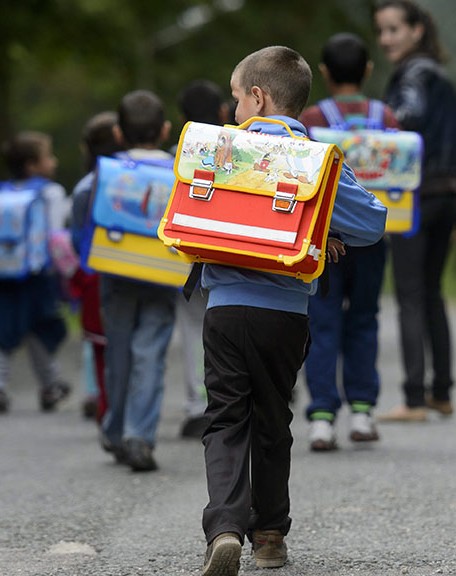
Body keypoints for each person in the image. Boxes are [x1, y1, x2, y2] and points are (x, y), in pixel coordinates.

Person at [199, 46, 387, 576]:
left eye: (237, 99)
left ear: (256, 97)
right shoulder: (319, 160)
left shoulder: (223, 149)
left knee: (224, 419)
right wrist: (322, 222)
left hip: (225, 309)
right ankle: (269, 536)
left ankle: (225, 527)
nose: (234, 111)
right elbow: (372, 224)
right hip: (286, 313)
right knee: (272, 420)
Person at [374, 0, 456, 422]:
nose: (385, 40)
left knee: (410, 295)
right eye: (381, 31)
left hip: (416, 196)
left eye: (393, 30)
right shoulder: (445, 79)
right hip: (451, 192)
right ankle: (442, 393)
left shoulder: (413, 75)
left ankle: (414, 399)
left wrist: (377, 127)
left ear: (417, 31)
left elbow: (407, 118)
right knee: (433, 292)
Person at [298, 32, 400, 452]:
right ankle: (362, 411)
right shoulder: (387, 117)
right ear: (369, 70)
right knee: (364, 318)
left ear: (323, 72)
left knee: (321, 322)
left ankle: (322, 417)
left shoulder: (313, 120)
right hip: (373, 240)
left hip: (325, 240)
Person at [89, 90, 178, 472]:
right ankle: (139, 435)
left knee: (119, 354)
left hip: (116, 268)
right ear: (165, 130)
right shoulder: (179, 169)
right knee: (150, 354)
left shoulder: (107, 169)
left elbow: (82, 205)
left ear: (118, 133)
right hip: (163, 274)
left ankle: (113, 431)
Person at [0, 131, 72, 414]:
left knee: (4, 330)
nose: (53, 162)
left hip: (6, 276)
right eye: (48, 156)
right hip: (38, 278)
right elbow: (54, 235)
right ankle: (50, 384)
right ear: (32, 165)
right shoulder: (50, 193)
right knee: (41, 331)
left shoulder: (0, 192)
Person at [173, 80, 231, 439]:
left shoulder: (177, 153)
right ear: (225, 112)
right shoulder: (242, 151)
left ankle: (199, 407)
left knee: (193, 330)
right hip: (233, 258)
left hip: (189, 262)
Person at [70, 111, 125, 422]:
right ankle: (130, 416)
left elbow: (78, 242)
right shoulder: (139, 179)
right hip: (137, 274)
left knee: (101, 350)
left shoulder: (83, 188)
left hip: (95, 280)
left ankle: (106, 410)